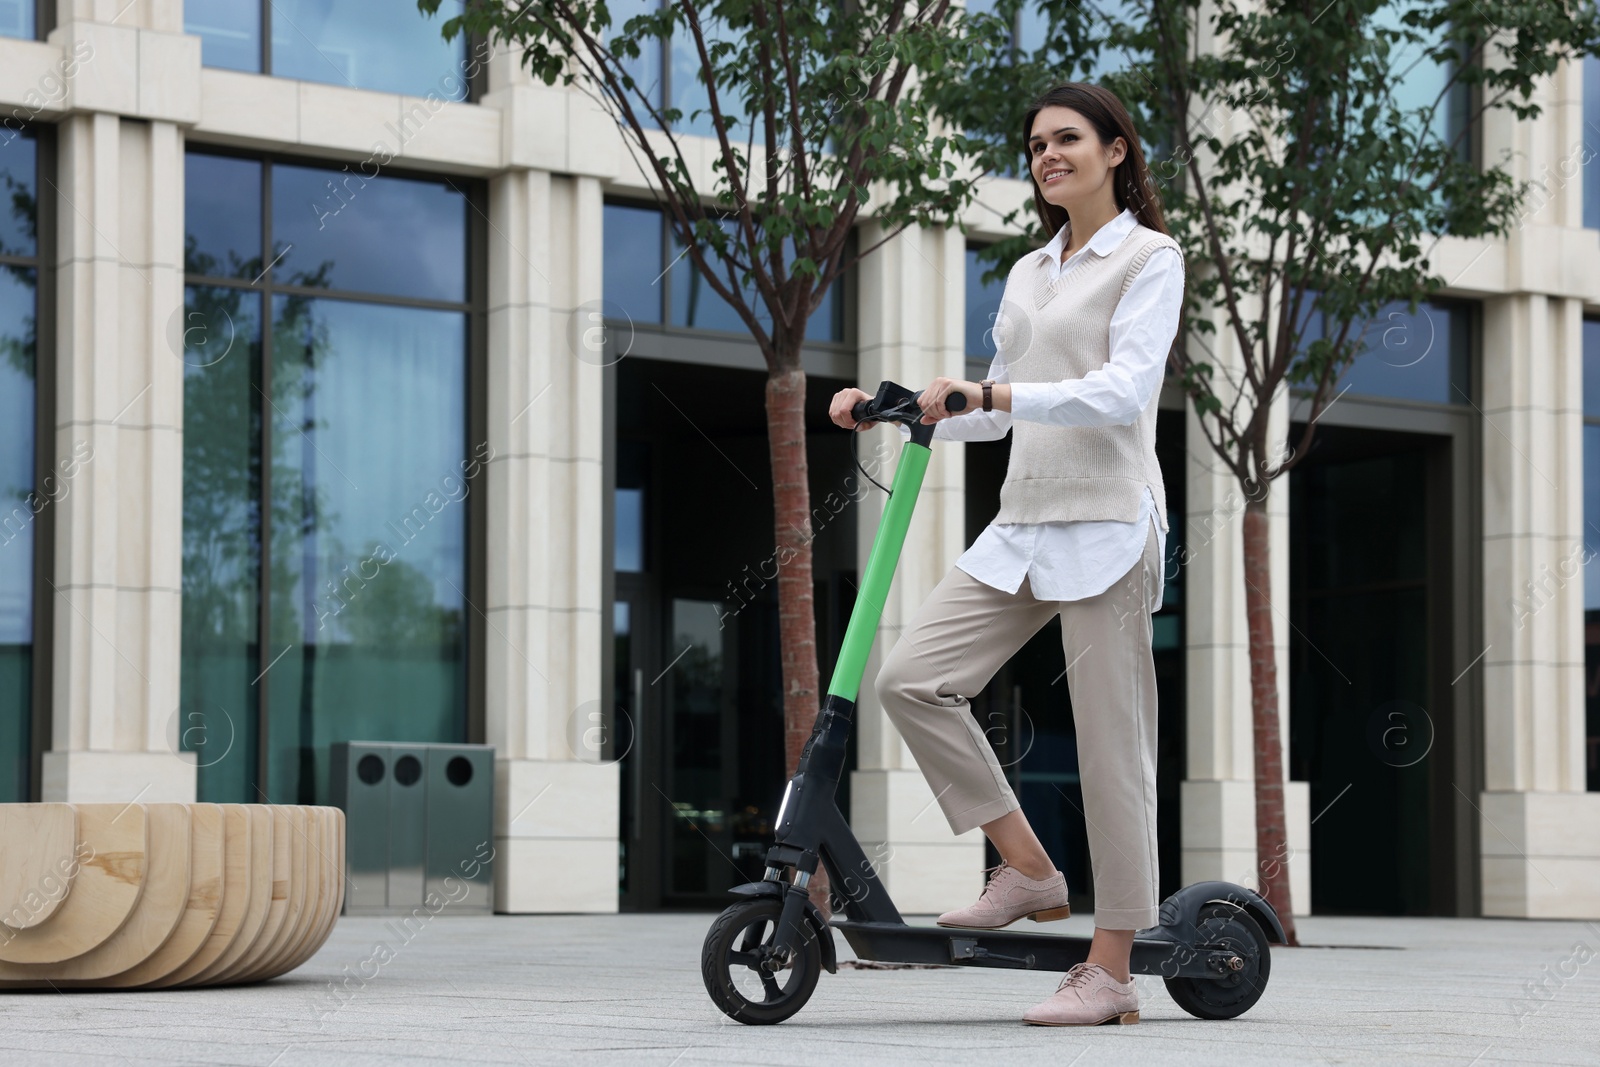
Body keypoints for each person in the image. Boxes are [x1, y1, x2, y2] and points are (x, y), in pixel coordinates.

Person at [828, 82, 1185, 1027]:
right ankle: (1028, 866)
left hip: (1109, 519)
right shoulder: (1030, 271)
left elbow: (1118, 391)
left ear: (1116, 151)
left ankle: (1110, 970)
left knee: (1114, 754)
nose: (1047, 155)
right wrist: (900, 410)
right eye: (1035, 145)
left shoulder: (1150, 257)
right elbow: (992, 411)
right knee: (910, 677)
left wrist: (991, 397)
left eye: (1068, 138)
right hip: (1025, 520)